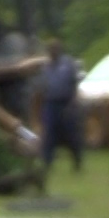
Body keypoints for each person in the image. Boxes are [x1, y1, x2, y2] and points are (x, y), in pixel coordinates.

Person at [40, 39, 85, 173]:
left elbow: (74, 84)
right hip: (50, 103)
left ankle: (77, 161)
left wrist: (73, 102)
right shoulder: (45, 66)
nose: (53, 52)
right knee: (50, 133)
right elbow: (42, 87)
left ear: (59, 50)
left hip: (66, 102)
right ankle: (47, 163)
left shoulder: (67, 64)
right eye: (50, 49)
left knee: (71, 134)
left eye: (55, 49)